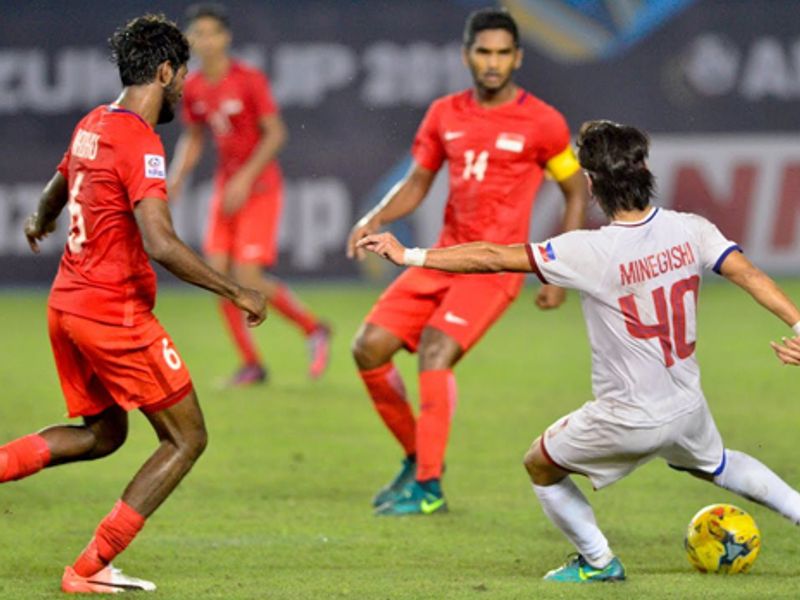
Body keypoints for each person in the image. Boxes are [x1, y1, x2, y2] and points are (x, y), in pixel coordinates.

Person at [357, 119, 800, 581]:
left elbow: (492, 256)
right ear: (643, 169)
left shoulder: (587, 251)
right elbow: (750, 274)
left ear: (590, 182)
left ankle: (598, 561)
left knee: (540, 464)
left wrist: (409, 255)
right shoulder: (692, 229)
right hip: (686, 403)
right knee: (719, 464)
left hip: (629, 414)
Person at [10, 14, 266, 593]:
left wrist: (38, 219)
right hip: (112, 315)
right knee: (187, 438)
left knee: (104, 434)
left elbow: (56, 187)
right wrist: (237, 289)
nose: (183, 91)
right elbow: (161, 243)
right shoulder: (141, 142)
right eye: (181, 79)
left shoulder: (92, 123)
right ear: (165, 70)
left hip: (66, 306)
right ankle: (90, 567)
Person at [346, 8, 587, 515]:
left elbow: (574, 189)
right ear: (467, 55)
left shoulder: (543, 122)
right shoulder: (444, 114)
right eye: (484, 52)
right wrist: (373, 218)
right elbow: (417, 182)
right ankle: (417, 457)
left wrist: (559, 268)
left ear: (518, 57)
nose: (493, 62)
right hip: (442, 258)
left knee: (435, 350)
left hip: (495, 269)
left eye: (503, 53)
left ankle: (429, 487)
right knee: (368, 348)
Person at [168, 3, 330, 386]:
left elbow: (276, 133)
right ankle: (252, 364)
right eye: (198, 34)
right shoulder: (192, 87)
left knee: (248, 275)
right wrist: (175, 180)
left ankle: (313, 328)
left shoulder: (248, 79)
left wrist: (244, 179)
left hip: (259, 186)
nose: (205, 40)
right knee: (215, 275)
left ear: (226, 38)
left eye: (212, 33)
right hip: (227, 186)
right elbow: (193, 139)